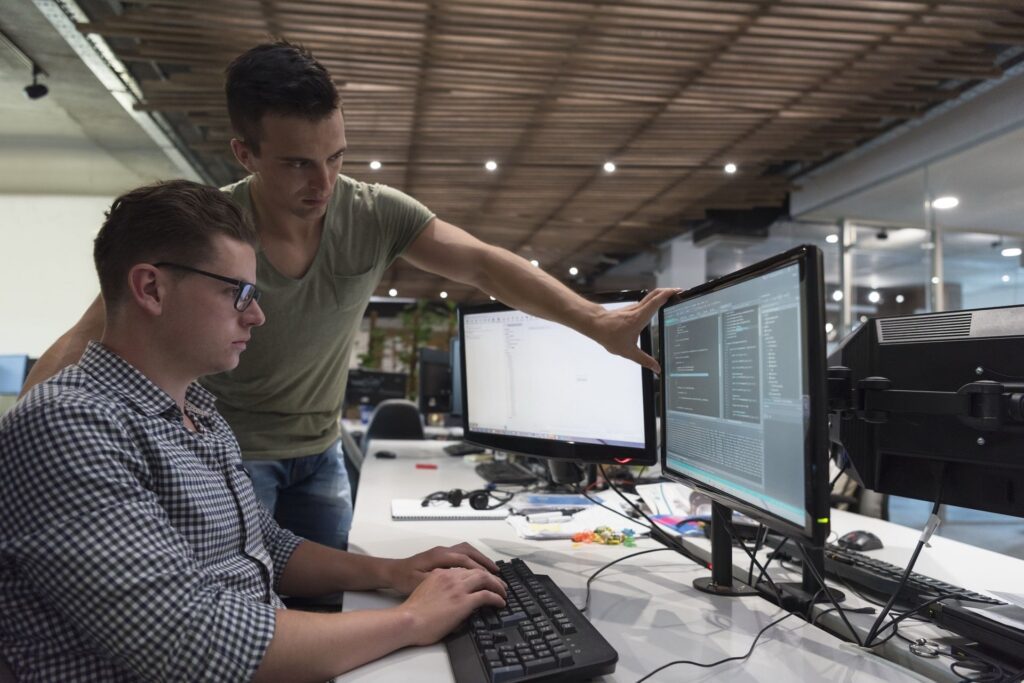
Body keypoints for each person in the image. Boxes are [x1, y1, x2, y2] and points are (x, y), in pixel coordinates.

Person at [21, 41, 675, 551]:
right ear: (244, 152)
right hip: (228, 454)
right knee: (246, 611)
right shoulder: (207, 230)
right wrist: (24, 436)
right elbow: (93, 331)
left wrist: (595, 321)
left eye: (335, 156)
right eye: (298, 163)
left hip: (321, 451)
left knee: (328, 600)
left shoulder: (373, 213)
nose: (324, 181)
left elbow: (483, 265)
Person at [0, 180, 506, 682]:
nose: (258, 315)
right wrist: (412, 619)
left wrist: (392, 572)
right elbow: (192, 644)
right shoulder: (69, 424)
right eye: (238, 292)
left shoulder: (199, 414)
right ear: (151, 288)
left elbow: (263, 545)